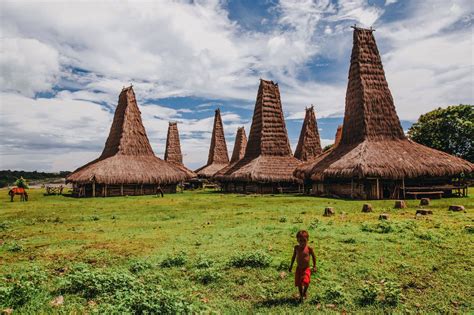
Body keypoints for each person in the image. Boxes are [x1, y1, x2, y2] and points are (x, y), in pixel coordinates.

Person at [289, 230, 317, 302]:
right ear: (297, 240)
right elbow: (293, 257)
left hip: (306, 269)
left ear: (307, 240)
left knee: (306, 282)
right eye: (300, 241)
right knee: (299, 283)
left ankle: (304, 293)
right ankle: (301, 295)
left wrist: (314, 266)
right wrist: (291, 265)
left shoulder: (309, 248)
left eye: (304, 241)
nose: (302, 243)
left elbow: (314, 257)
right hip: (298, 268)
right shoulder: (296, 248)